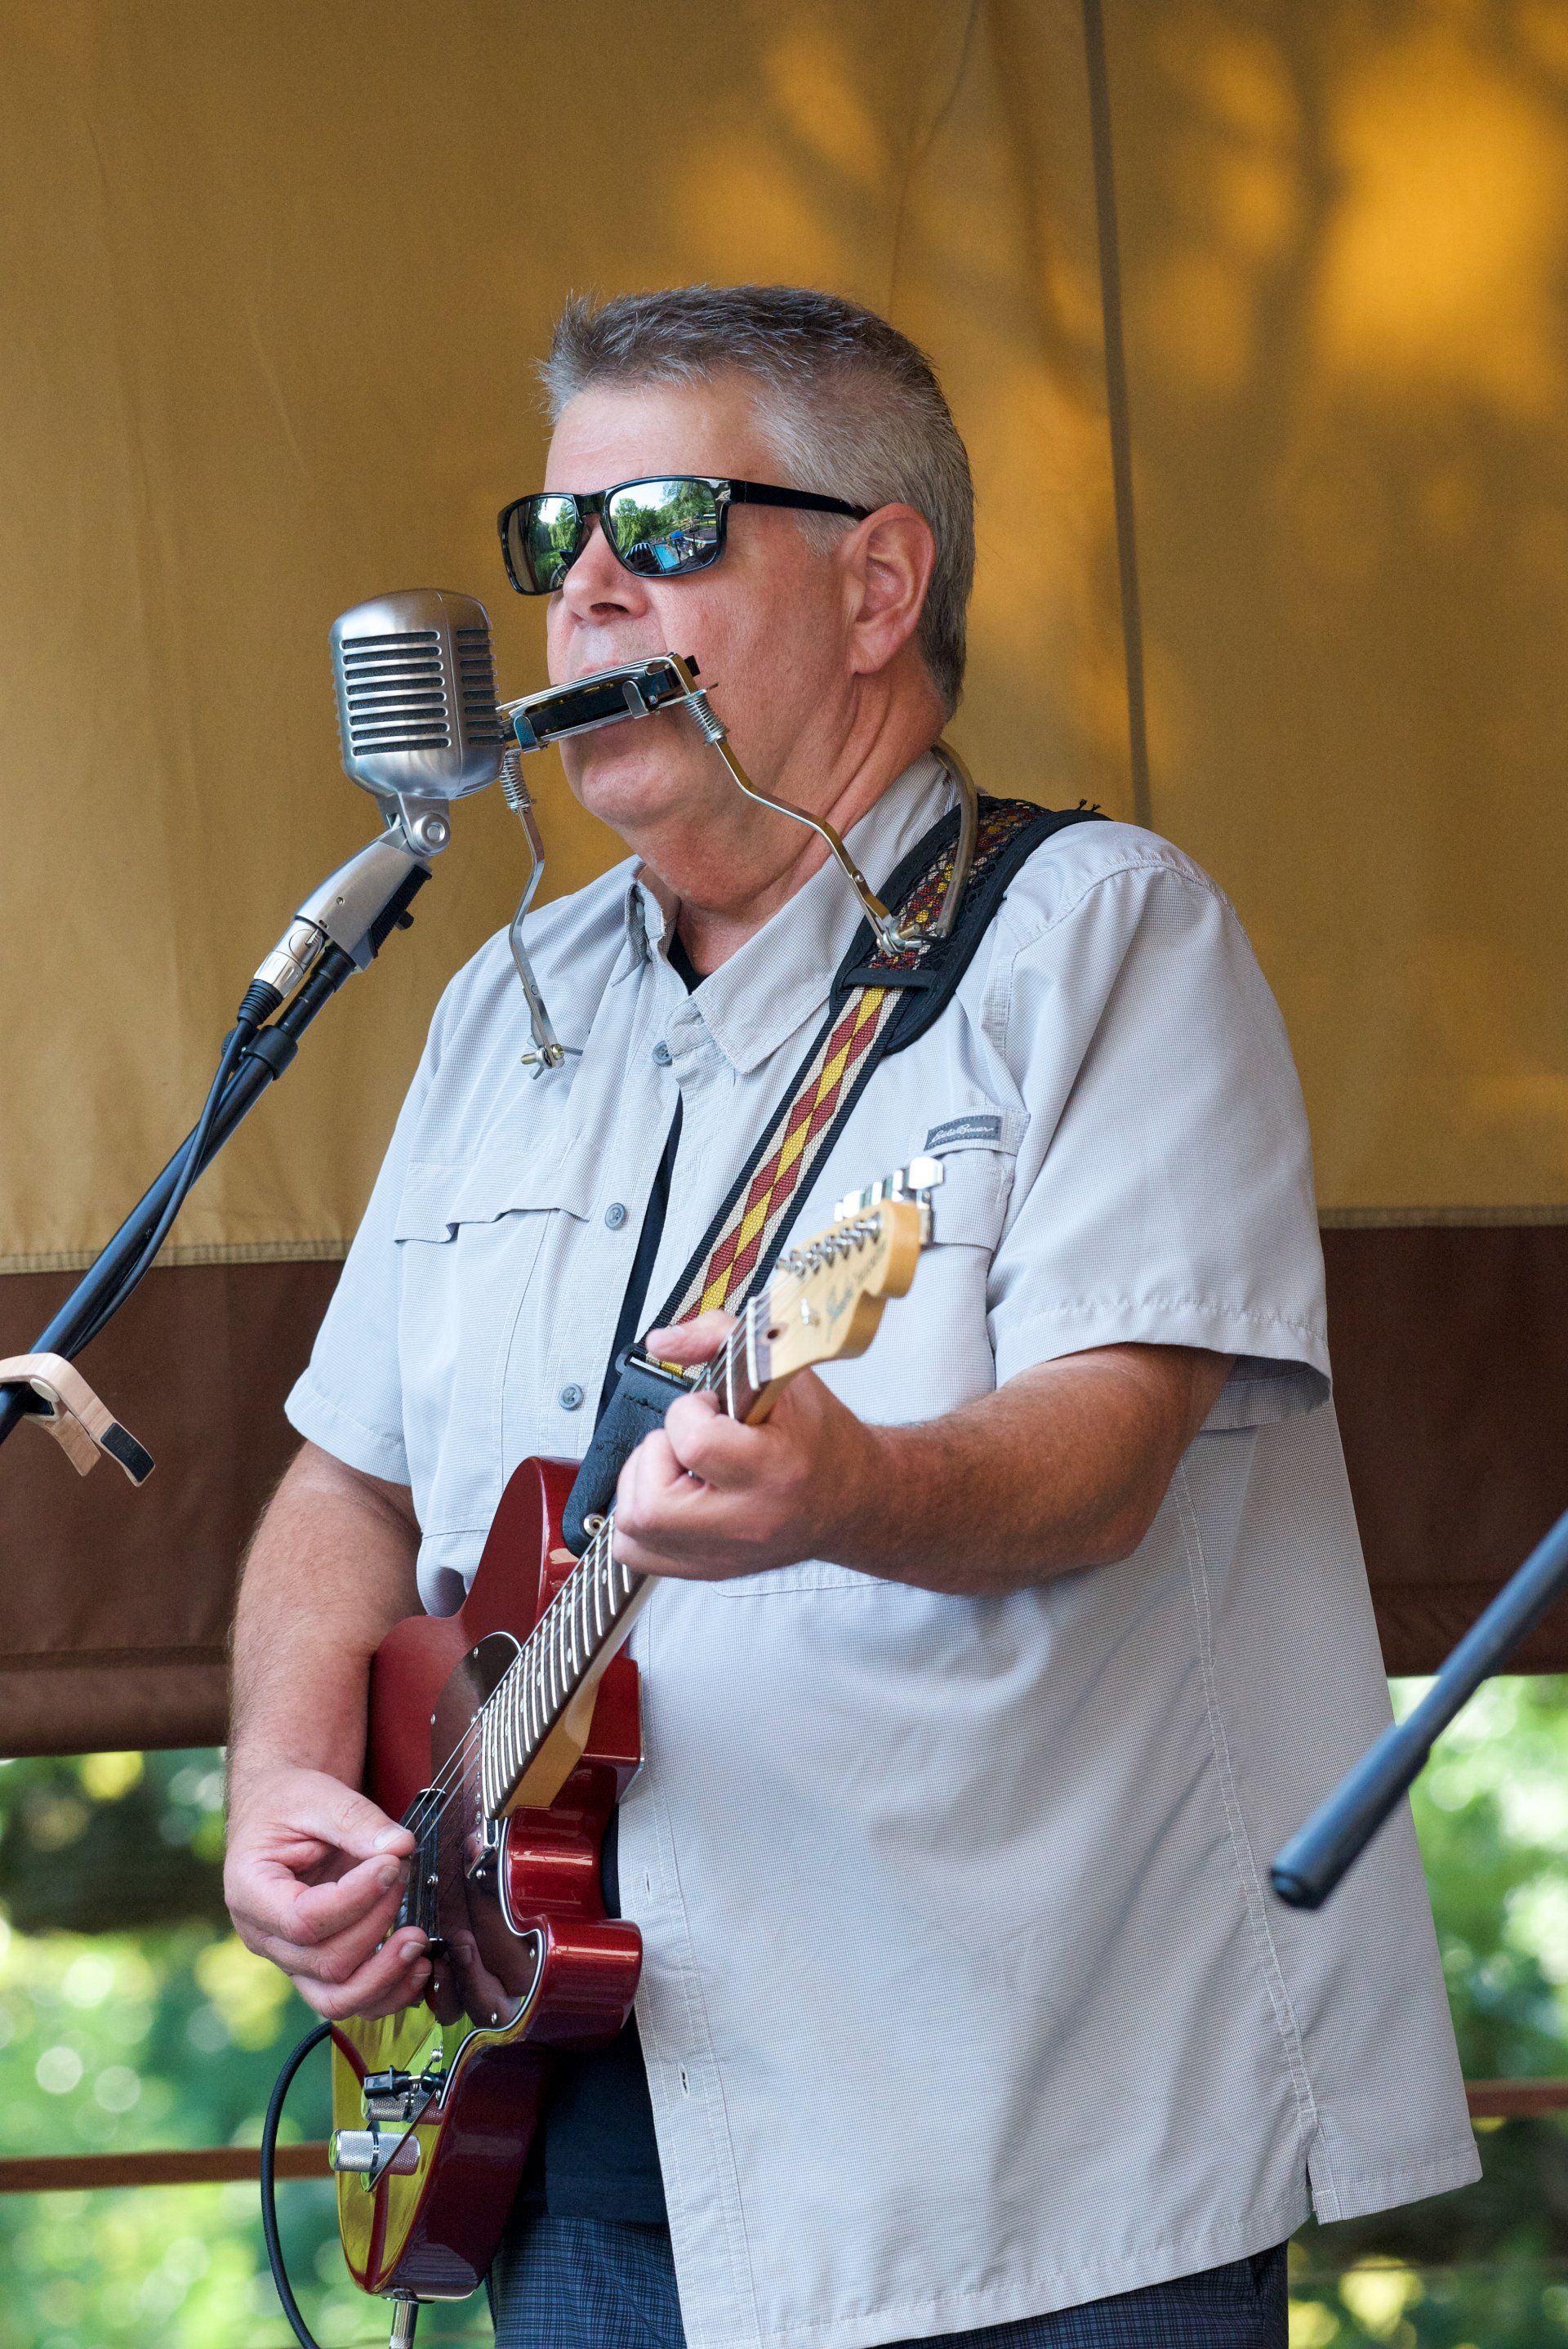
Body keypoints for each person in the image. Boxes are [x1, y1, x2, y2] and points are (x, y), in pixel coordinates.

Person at [225, 285, 1478, 2349]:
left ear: (881, 584)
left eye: (665, 526)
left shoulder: (1102, 934)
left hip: (1028, 2175)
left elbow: (1110, 1448)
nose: (586, 589)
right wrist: (286, 1781)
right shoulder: (496, 1006)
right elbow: (345, 1483)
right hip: (560, 2140)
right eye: (553, 540)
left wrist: (852, 1483)